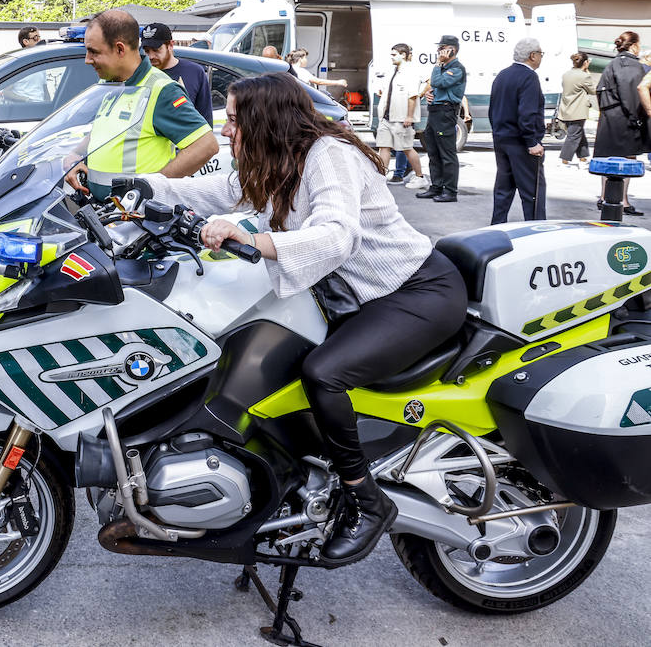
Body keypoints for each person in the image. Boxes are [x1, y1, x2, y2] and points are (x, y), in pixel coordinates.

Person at [147, 72, 466, 567]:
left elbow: (337, 234)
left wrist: (251, 240)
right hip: (352, 295)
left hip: (413, 292)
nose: (226, 130)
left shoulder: (327, 155)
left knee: (323, 373)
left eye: (233, 120)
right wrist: (117, 185)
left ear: (265, 118)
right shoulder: (274, 159)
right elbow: (205, 192)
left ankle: (367, 500)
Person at [64, 9, 218, 200]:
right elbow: (105, 132)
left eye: (93, 52)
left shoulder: (161, 90)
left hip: (136, 219)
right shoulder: (111, 84)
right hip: (105, 214)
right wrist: (75, 155)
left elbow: (206, 145)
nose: (87, 60)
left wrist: (151, 189)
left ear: (120, 49)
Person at [489, 38, 547, 223]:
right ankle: (536, 231)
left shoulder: (502, 75)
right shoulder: (529, 77)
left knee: (503, 189)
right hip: (521, 142)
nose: (541, 57)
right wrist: (532, 141)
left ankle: (496, 227)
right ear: (533, 55)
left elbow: (493, 109)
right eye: (540, 53)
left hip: (502, 139)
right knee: (533, 192)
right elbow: (527, 112)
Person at [596, 31, 647, 216]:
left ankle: (604, 196)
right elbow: (631, 95)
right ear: (633, 45)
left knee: (608, 159)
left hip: (609, 118)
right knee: (626, 160)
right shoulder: (631, 65)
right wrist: (638, 118)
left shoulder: (613, 63)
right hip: (625, 121)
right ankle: (623, 201)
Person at [416, 35, 466, 204]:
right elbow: (436, 86)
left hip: (445, 112)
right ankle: (436, 186)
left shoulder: (456, 68)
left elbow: (437, 82)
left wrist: (438, 65)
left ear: (453, 49)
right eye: (439, 48)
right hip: (436, 111)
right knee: (433, 151)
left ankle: (450, 191)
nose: (439, 51)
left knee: (447, 153)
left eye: (442, 47)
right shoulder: (445, 67)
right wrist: (431, 94)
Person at [374, 43, 427, 190]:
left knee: (406, 148)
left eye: (394, 54)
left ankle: (420, 177)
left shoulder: (411, 72)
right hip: (386, 117)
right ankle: (381, 177)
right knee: (384, 147)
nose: (391, 57)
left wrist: (409, 116)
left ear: (403, 55)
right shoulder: (393, 71)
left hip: (401, 118)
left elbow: (412, 95)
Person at [141, 22, 214, 126]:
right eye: (147, 51)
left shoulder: (195, 72)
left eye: (156, 50)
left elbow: (206, 119)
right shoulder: (141, 75)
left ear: (170, 45)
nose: (151, 56)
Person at [558, 52, 595, 167]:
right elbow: (593, 90)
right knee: (574, 135)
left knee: (579, 133)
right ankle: (565, 160)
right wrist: (587, 72)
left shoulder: (566, 74)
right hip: (578, 110)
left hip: (566, 108)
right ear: (585, 63)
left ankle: (583, 158)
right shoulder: (584, 76)